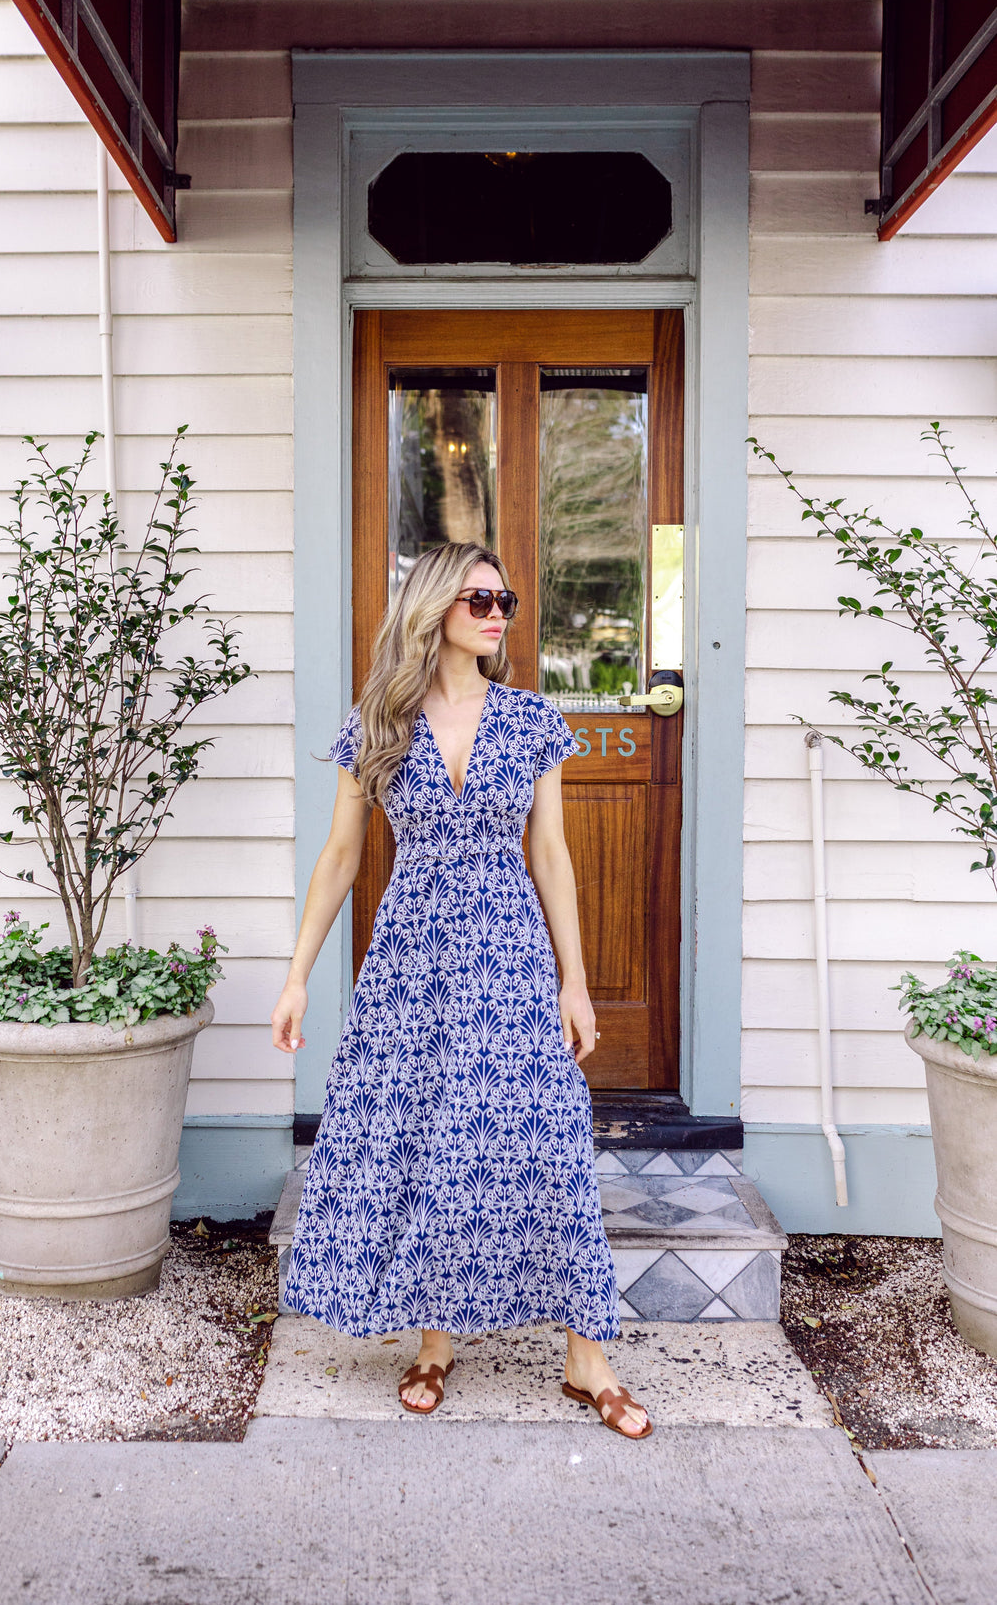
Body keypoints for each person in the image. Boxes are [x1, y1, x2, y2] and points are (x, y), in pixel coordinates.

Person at [270, 541, 651, 1438]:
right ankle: (437, 1341)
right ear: (435, 606)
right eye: (480, 599)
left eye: (505, 601)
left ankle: (586, 1352)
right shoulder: (378, 723)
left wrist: (577, 981)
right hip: (412, 960)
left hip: (510, 950)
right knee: (428, 1136)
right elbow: (340, 858)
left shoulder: (531, 720)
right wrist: (296, 979)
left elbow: (551, 855)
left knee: (545, 1134)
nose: (497, 614)